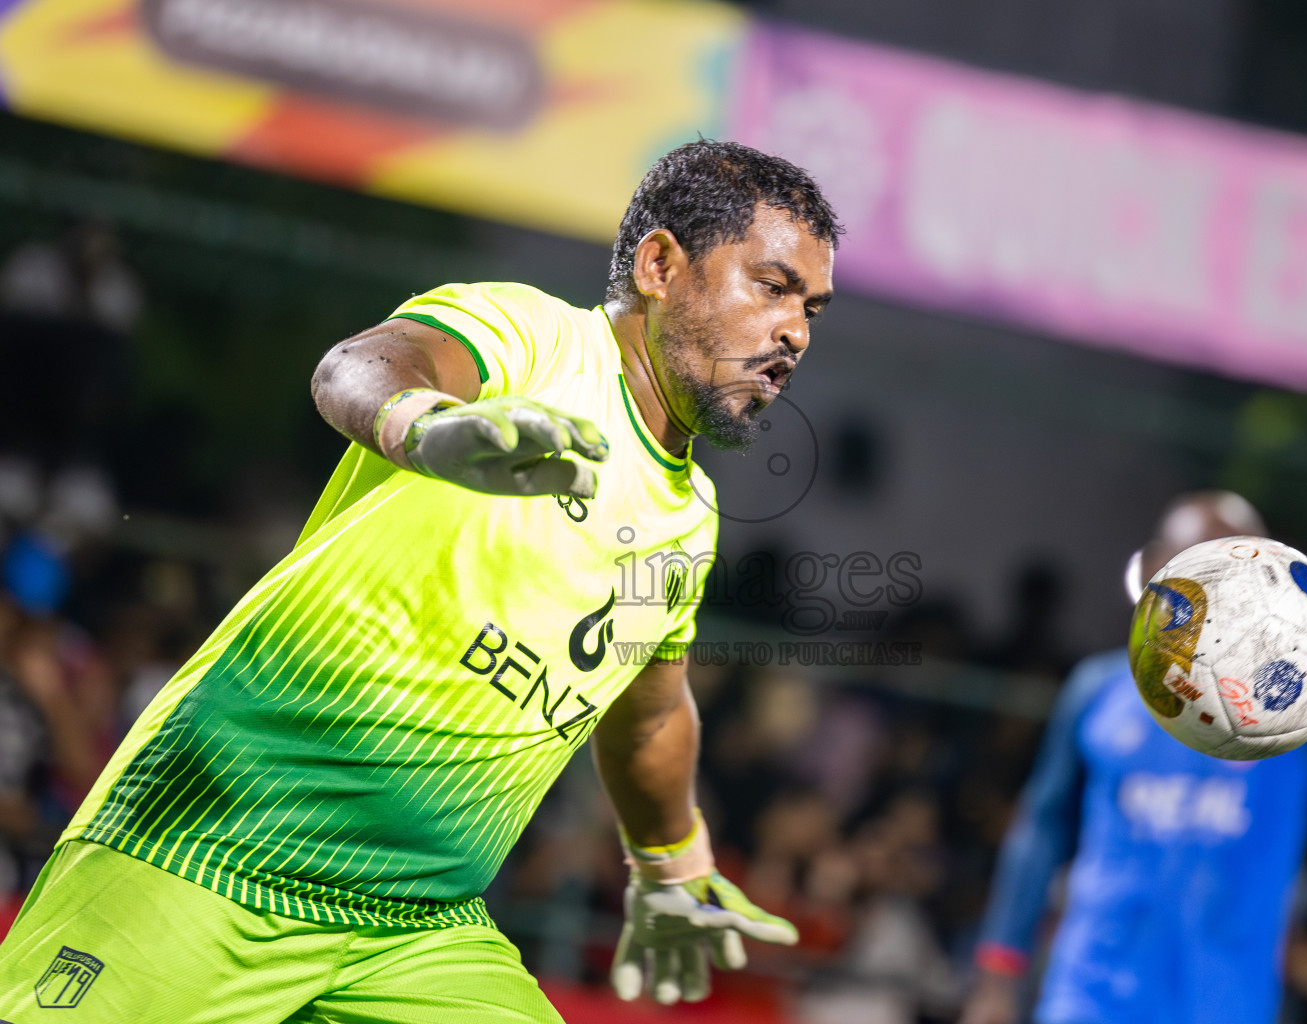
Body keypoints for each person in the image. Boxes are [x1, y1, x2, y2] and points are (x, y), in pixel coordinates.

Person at [0, 140, 840, 1023]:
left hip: (414, 935)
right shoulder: (537, 338)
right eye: (773, 287)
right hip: (206, 852)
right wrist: (429, 429)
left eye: (812, 308)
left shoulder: (688, 516)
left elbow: (650, 715)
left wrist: (674, 863)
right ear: (661, 265)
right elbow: (355, 369)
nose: (797, 333)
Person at [961, 491, 1307, 1024]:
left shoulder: (1296, 703)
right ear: (1160, 569)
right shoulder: (1098, 693)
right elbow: (1041, 826)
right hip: (1093, 995)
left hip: (1222, 1005)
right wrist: (998, 971)